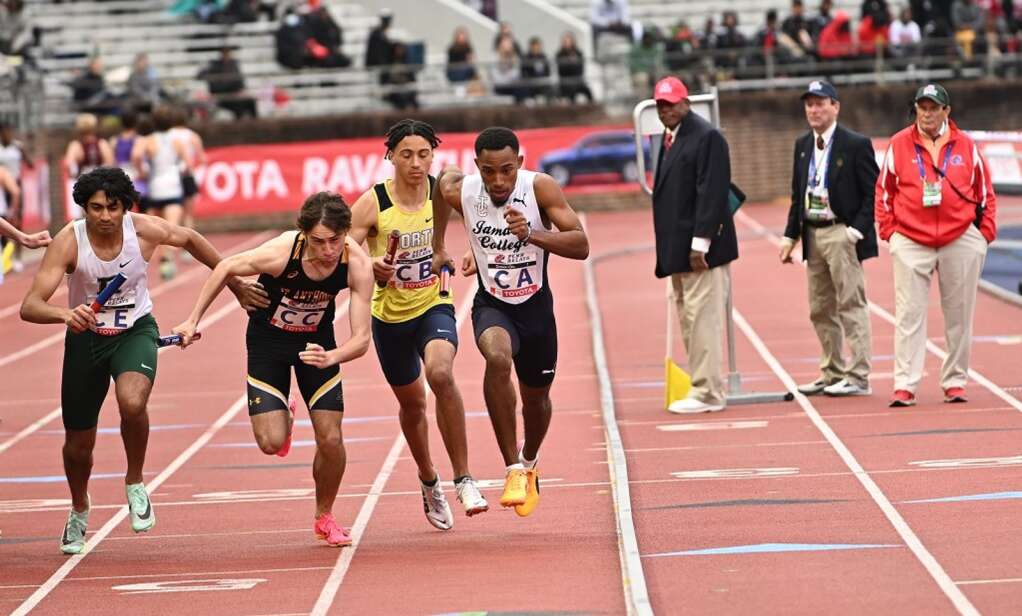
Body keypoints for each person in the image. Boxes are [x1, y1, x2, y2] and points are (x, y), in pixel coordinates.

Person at [19, 167, 268, 555]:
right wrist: (66, 315)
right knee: (77, 446)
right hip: (86, 341)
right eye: (95, 208)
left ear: (125, 207)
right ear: (84, 208)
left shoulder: (144, 230)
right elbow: (30, 305)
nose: (104, 216)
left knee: (132, 401)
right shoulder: (70, 241)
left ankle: (135, 482)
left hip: (135, 331)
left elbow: (190, 239)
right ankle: (79, 508)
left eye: (112, 207)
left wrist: (235, 285)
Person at [172, 192, 372, 547]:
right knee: (271, 442)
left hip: (316, 347)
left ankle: (324, 515)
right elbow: (225, 267)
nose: (327, 250)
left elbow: (361, 340)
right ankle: (287, 414)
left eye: (335, 241)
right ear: (303, 234)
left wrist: (333, 356)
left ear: (346, 234)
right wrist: (192, 320)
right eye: (318, 241)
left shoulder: (355, 263)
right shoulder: (282, 253)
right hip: (268, 345)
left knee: (331, 438)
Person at [431, 127, 590, 517]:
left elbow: (581, 244)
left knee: (536, 401)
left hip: (535, 308)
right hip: (493, 304)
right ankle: (513, 467)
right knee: (497, 358)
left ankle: (530, 458)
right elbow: (442, 183)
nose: (498, 180)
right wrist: (439, 246)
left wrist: (532, 234)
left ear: (519, 163)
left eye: (506, 170)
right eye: (488, 171)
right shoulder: (465, 190)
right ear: (478, 168)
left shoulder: (541, 189)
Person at [347, 119, 488, 529]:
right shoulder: (373, 203)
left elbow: (484, 226)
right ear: (390, 155)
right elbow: (341, 253)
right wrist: (371, 266)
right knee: (413, 405)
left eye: (424, 154)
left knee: (441, 374)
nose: (416, 162)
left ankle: (464, 478)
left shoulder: (441, 193)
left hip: (434, 303)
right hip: (389, 316)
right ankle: (429, 478)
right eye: (406, 154)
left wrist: (471, 255)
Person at [875, 83, 997, 407]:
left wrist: (983, 235)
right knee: (908, 314)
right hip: (912, 238)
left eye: (934, 108)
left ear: (947, 111)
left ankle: (955, 381)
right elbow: (884, 191)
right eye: (922, 107)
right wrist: (891, 233)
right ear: (915, 109)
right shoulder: (900, 144)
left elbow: (985, 192)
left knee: (959, 315)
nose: (927, 113)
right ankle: (905, 384)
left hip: (959, 237)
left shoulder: (966, 145)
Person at [780, 81, 878, 397]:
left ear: (835, 106)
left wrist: (856, 230)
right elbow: (799, 195)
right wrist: (789, 236)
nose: (814, 110)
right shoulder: (802, 145)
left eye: (820, 103)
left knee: (850, 303)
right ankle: (832, 371)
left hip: (841, 231)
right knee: (820, 307)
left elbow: (873, 192)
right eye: (809, 104)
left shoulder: (855, 144)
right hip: (812, 232)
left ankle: (859, 375)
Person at [650, 76, 738, 414]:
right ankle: (702, 384)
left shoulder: (707, 136)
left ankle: (708, 393)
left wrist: (700, 244)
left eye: (671, 104)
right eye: (660, 105)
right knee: (690, 319)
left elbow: (712, 192)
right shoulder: (670, 137)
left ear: (686, 103)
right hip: (678, 252)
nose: (665, 110)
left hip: (701, 251)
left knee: (702, 320)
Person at [132, 105, 191, 280]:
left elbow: (136, 155)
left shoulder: (147, 140)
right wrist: (179, 169)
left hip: (155, 187)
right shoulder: (177, 140)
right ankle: (167, 260)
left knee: (152, 231)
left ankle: (139, 265)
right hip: (173, 186)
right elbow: (187, 163)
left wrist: (142, 171)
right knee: (171, 228)